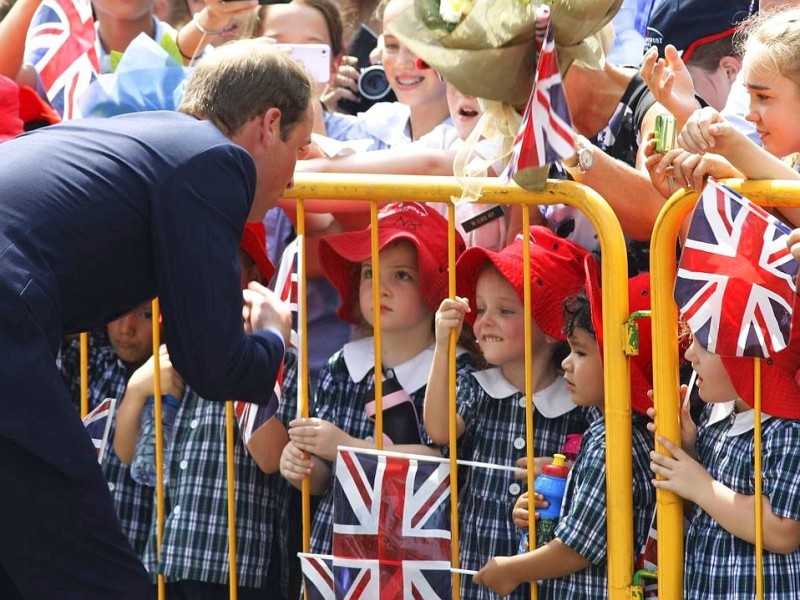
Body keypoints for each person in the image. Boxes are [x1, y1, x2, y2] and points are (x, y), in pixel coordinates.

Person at [0, 39, 310, 598]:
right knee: (92, 569)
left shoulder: (149, 139)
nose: (296, 175)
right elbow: (213, 365)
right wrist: (273, 337)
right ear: (268, 124)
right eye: (301, 147)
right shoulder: (216, 159)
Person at [278, 202, 473, 556]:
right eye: (369, 272)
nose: (379, 287)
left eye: (402, 275)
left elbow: (446, 464)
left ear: (437, 287)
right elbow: (325, 477)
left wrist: (346, 446)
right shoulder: (342, 365)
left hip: (419, 562)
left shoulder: (458, 370)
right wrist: (302, 467)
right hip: (342, 554)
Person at [114, 222, 290, 599]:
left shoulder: (276, 346)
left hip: (235, 568)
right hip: (170, 558)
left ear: (254, 277)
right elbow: (139, 461)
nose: (209, 278)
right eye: (200, 266)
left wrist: (246, 362)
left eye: (225, 266)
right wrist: (136, 391)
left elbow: (272, 457)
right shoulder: (182, 348)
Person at [424, 226, 592, 600]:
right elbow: (439, 429)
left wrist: (560, 469)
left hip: (547, 583)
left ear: (551, 330)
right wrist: (442, 347)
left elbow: (595, 480)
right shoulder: (475, 385)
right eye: (480, 309)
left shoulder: (579, 406)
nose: (484, 321)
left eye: (505, 310)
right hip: (478, 574)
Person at [474, 267, 656, 598]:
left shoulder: (614, 446)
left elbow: (577, 548)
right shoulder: (608, 434)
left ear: (624, 362)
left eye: (582, 352)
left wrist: (512, 569)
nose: (566, 364)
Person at [649, 318, 800, 598]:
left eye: (703, 345)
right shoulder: (715, 415)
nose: (688, 355)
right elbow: (711, 500)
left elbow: (784, 531)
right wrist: (688, 449)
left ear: (746, 357)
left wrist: (700, 485)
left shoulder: (787, 429)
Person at [59, 302, 163, 560]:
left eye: (145, 315)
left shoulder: (174, 377)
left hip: (139, 557)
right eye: (118, 313)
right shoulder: (86, 360)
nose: (127, 328)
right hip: (77, 548)